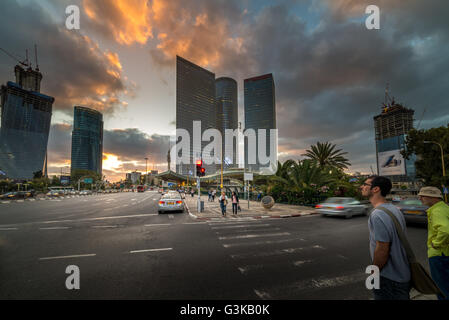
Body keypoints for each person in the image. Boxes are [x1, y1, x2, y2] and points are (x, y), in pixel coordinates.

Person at [360, 175, 411, 300]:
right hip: (402, 274)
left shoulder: (377, 214)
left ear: (376, 189)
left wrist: (373, 272)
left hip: (388, 278)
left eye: (365, 184)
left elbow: (382, 249)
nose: (362, 186)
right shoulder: (394, 209)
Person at [418, 186, 449, 300]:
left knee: (441, 287)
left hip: (439, 255)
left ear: (434, 197)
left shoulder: (437, 211)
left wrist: (436, 243)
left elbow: (445, 230)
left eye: (423, 195)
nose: (420, 198)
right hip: (445, 253)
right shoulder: (444, 207)